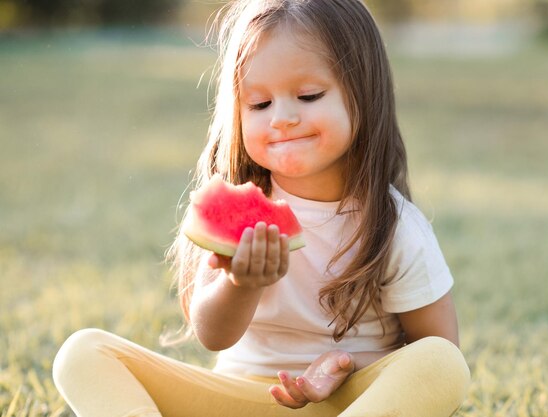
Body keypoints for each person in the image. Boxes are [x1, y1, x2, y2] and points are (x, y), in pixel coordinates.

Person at [52, 0, 470, 416]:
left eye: (308, 95)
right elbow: (211, 336)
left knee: (442, 363)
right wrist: (242, 284)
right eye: (259, 104)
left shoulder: (393, 226)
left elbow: (435, 350)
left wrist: (344, 372)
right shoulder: (238, 209)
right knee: (83, 352)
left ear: (364, 94)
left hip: (348, 404)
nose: (282, 118)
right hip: (239, 400)